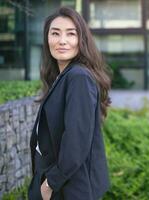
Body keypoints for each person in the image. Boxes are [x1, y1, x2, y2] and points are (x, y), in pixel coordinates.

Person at [27, 6, 111, 200]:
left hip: (69, 189)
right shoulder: (63, 76)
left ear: (81, 40)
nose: (62, 41)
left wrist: (49, 184)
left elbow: (76, 141)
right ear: (47, 39)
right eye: (55, 33)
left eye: (71, 34)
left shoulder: (78, 77)